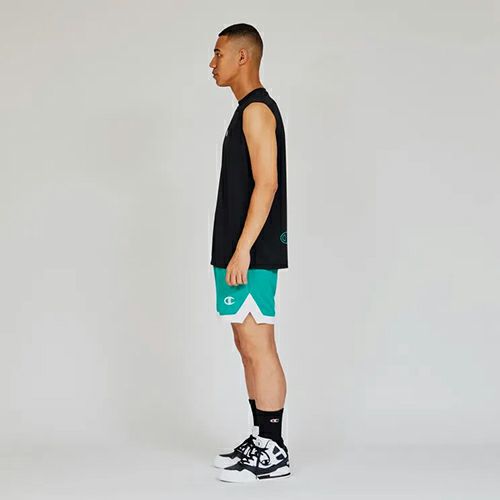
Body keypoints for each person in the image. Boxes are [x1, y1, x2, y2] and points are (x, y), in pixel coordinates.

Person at [208, 23, 290, 482]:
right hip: (236, 251)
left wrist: (242, 251)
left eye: (218, 54)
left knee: (259, 344)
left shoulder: (257, 110)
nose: (212, 63)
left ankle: (274, 450)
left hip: (251, 253)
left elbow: (268, 184)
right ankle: (261, 437)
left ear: (243, 57)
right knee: (245, 344)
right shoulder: (244, 111)